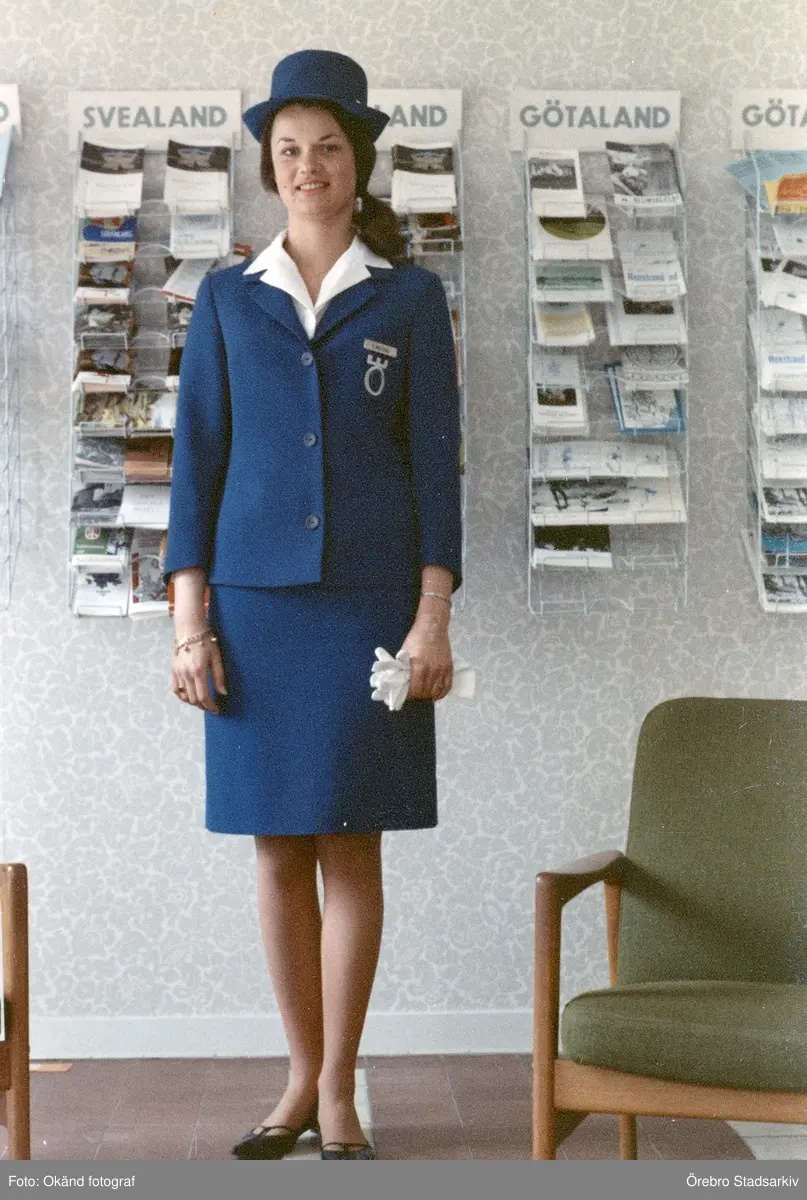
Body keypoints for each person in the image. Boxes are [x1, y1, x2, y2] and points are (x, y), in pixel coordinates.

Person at [163, 49, 462, 1162]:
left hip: (368, 610)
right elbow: (196, 463)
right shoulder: (226, 298)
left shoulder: (410, 298)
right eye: (287, 150)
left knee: (352, 845)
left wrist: (432, 613)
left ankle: (339, 1089)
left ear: (358, 159)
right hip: (252, 610)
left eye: (327, 147)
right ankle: (296, 1079)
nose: (306, 167)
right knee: (276, 850)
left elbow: (436, 468)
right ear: (268, 168)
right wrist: (189, 626)